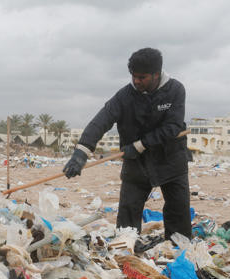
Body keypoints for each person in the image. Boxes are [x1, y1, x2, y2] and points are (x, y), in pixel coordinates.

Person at [62, 48, 191, 240]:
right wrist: (81, 152)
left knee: (178, 210)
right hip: (136, 163)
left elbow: (173, 127)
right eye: (133, 76)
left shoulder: (175, 90)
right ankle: (126, 251)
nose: (136, 81)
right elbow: (101, 121)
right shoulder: (125, 96)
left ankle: (178, 251)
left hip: (171, 159)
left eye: (142, 77)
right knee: (128, 213)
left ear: (157, 74)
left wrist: (139, 145)